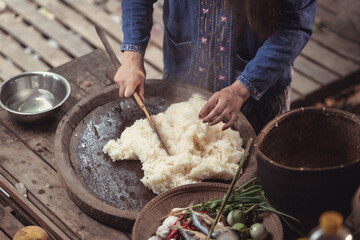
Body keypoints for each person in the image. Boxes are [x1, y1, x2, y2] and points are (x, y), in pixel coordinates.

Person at [114, 0, 317, 134]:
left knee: (256, 177)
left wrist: (241, 88)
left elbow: (294, 27)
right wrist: (133, 54)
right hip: (182, 74)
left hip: (259, 93)